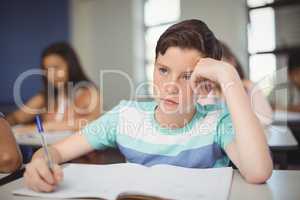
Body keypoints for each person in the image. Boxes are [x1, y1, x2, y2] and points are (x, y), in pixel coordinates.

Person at [24, 19, 273, 192]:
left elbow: (258, 171)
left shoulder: (217, 122)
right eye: (163, 70)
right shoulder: (124, 116)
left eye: (186, 76)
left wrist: (229, 76)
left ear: (207, 84)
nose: (170, 86)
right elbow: (55, 151)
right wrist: (39, 163)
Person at [5, 42, 101, 133]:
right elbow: (16, 117)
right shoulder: (45, 97)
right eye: (47, 70)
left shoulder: (89, 93)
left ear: (71, 66)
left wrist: (47, 126)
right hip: (46, 148)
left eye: (56, 67)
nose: (52, 75)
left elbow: (95, 123)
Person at [199, 42, 273, 126]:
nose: (217, 73)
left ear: (232, 62)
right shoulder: (207, 94)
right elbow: (206, 124)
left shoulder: (249, 87)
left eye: (221, 67)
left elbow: (266, 119)